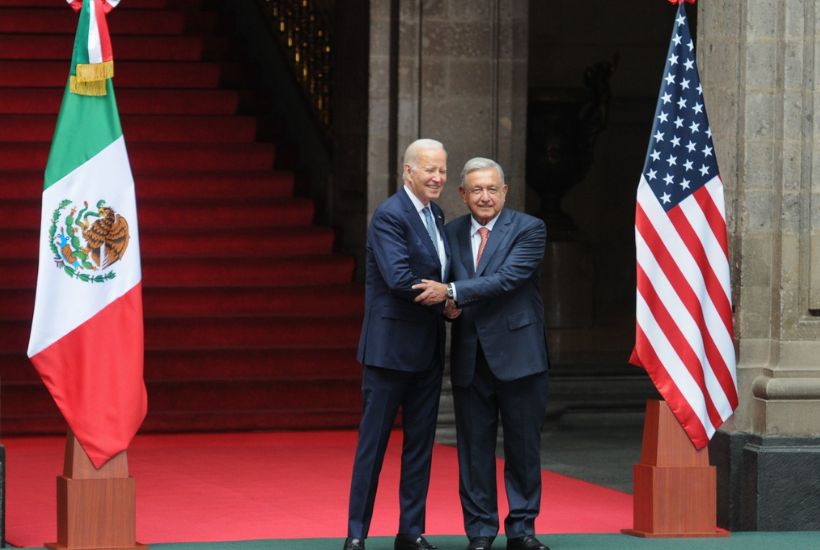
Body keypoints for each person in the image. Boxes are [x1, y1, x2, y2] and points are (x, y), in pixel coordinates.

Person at [413, 158, 551, 550]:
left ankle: (522, 530)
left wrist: (453, 293)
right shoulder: (449, 232)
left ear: (505, 192)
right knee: (474, 452)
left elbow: (508, 279)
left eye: (492, 189)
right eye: (477, 190)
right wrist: (447, 305)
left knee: (523, 448)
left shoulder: (529, 228)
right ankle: (479, 532)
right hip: (471, 356)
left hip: (521, 356)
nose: (485, 197)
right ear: (463, 195)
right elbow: (441, 288)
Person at [343, 139, 450, 550]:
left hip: (427, 351)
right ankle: (356, 533)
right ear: (408, 172)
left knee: (420, 446)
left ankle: (411, 531)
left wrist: (450, 296)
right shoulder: (390, 215)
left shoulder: (436, 215)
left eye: (442, 169)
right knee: (373, 445)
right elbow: (399, 277)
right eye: (429, 170)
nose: (438, 177)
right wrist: (449, 295)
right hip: (388, 352)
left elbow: (439, 274)